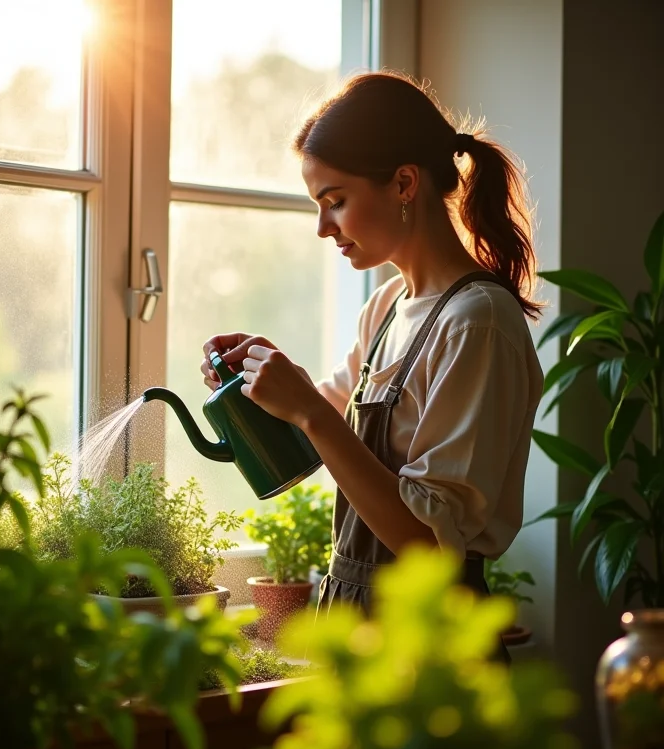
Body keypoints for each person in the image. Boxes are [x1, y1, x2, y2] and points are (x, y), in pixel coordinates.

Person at [200, 72, 543, 647]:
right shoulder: (387, 305)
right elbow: (322, 437)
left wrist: (309, 410)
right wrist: (258, 376)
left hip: (427, 642)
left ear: (404, 183)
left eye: (335, 201)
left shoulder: (478, 322)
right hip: (358, 625)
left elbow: (426, 551)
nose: (322, 227)